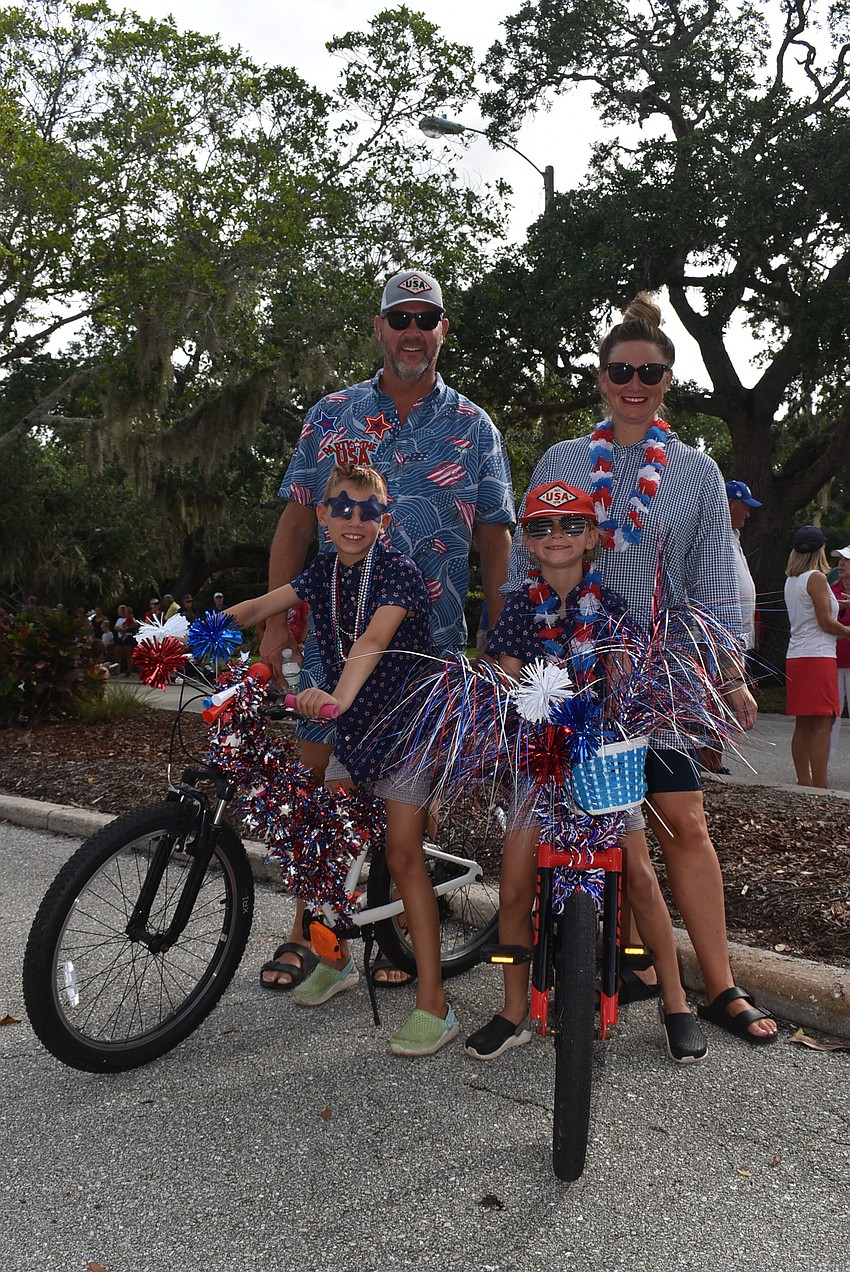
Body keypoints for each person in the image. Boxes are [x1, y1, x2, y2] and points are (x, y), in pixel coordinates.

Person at [506, 292, 777, 1045]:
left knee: (681, 820)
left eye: (649, 373)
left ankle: (718, 986)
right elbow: (527, 563)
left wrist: (727, 674)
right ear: (601, 377)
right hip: (568, 674)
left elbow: (714, 583)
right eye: (621, 371)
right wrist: (516, 668)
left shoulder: (694, 471)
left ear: (666, 381)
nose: (634, 383)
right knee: (596, 828)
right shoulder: (562, 460)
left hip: (658, 675)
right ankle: (620, 965)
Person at [257, 267, 515, 990]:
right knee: (316, 790)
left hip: (426, 653)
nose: (411, 331)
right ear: (379, 328)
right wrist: (274, 629)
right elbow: (295, 524)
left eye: (425, 319)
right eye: (399, 318)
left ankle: (396, 934)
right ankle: (309, 932)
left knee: (407, 803)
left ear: (442, 330)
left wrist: (501, 645)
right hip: (332, 645)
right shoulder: (332, 413)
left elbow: (497, 542)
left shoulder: (475, 427)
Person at [465, 483, 707, 1064]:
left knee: (640, 877)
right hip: (539, 759)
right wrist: (505, 716)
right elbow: (507, 682)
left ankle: (676, 1002)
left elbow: (624, 683)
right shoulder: (518, 609)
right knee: (515, 887)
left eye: (571, 524)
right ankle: (513, 1008)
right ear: (527, 541)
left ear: (593, 536)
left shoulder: (613, 607)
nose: (557, 536)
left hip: (602, 762)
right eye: (541, 527)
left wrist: (621, 713)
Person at [228, 464, 459, 1055]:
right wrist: (187, 632)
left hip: (406, 727)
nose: (354, 520)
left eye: (368, 511)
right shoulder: (323, 571)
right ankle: (336, 960)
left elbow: (371, 641)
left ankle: (434, 1002)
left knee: (402, 855)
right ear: (324, 516)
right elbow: (259, 606)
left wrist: (336, 696)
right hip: (353, 727)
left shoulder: (399, 573)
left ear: (385, 520)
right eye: (343, 508)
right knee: (328, 845)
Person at [700, 479, 762, 775]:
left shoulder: (733, 538)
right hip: (719, 634)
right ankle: (707, 759)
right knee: (713, 696)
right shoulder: (715, 538)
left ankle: (715, 757)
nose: (748, 514)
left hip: (738, 636)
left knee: (724, 701)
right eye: (744, 506)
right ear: (728, 504)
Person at [784, 525, 850, 788]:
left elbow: (813, 609)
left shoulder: (793, 579)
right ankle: (820, 784)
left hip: (797, 655)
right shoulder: (817, 578)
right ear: (820, 550)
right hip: (818, 656)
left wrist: (841, 604)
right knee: (824, 720)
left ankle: (804, 781)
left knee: (804, 722)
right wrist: (848, 632)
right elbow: (826, 622)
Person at [830, 545, 850, 755]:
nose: (841, 563)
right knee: (831, 714)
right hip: (833, 661)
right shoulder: (830, 590)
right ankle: (824, 762)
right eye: (840, 559)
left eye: (847, 560)